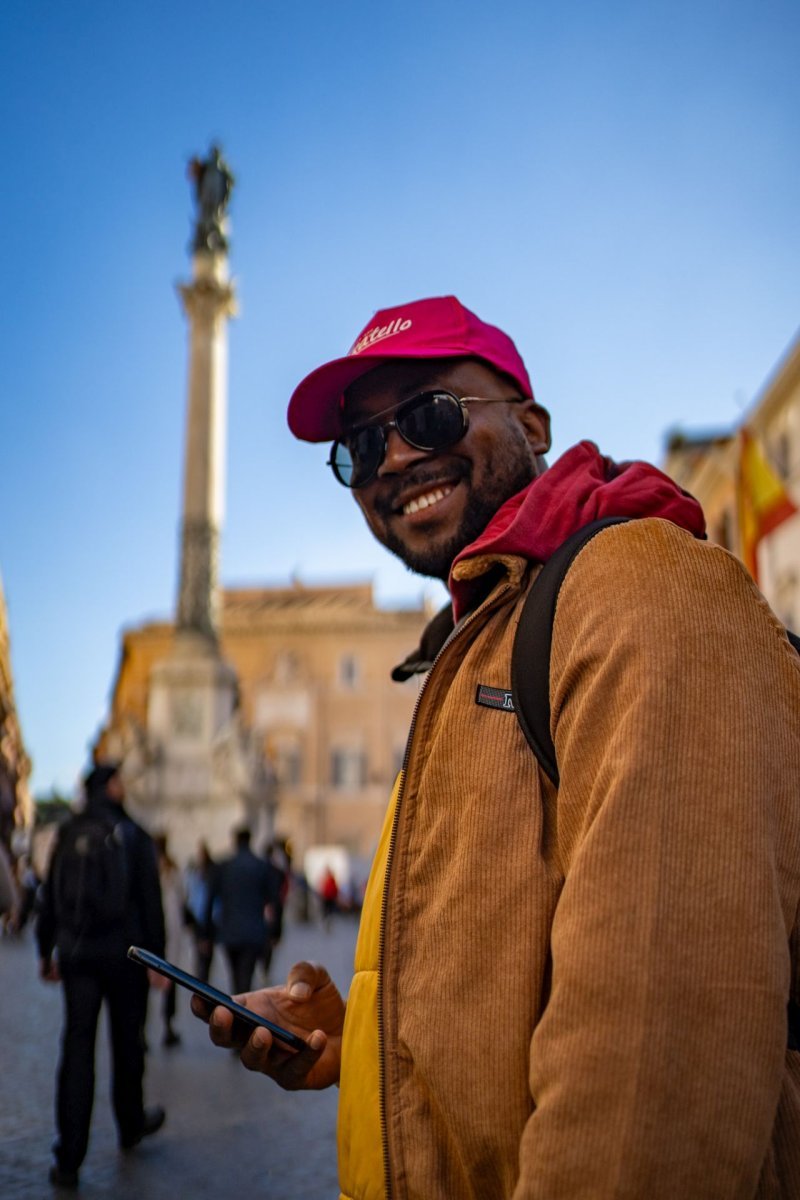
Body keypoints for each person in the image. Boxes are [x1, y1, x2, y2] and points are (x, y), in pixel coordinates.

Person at [194, 295, 800, 1198]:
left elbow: (650, 1078)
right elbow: (522, 962)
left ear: (531, 423)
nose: (395, 457)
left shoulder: (644, 593)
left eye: (428, 414)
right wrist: (361, 1032)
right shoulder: (473, 641)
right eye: (362, 447)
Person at [37, 762, 166, 1189]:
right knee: (128, 1042)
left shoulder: (69, 831)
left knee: (77, 1048)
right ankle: (130, 1123)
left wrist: (45, 949)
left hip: (77, 954)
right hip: (126, 955)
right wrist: (158, 961)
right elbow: (151, 900)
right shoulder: (132, 834)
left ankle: (68, 1156)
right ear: (111, 787)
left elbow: (49, 894)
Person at [202, 826, 278, 995]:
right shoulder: (261, 866)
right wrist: (275, 932)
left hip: (230, 930)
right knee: (246, 976)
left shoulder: (223, 867)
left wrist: (206, 934)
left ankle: (237, 1008)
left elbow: (210, 901)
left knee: (235, 976)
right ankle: (241, 1009)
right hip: (253, 930)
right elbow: (274, 901)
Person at [154, 833, 190, 1047]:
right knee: (170, 976)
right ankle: (168, 1024)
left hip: (151, 926)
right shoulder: (172, 869)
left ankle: (142, 1029)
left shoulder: (146, 866)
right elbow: (184, 895)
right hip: (171, 925)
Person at [184, 839, 216, 982]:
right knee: (202, 956)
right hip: (202, 919)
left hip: (204, 919)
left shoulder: (205, 875)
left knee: (203, 956)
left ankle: (202, 979)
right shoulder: (197, 874)